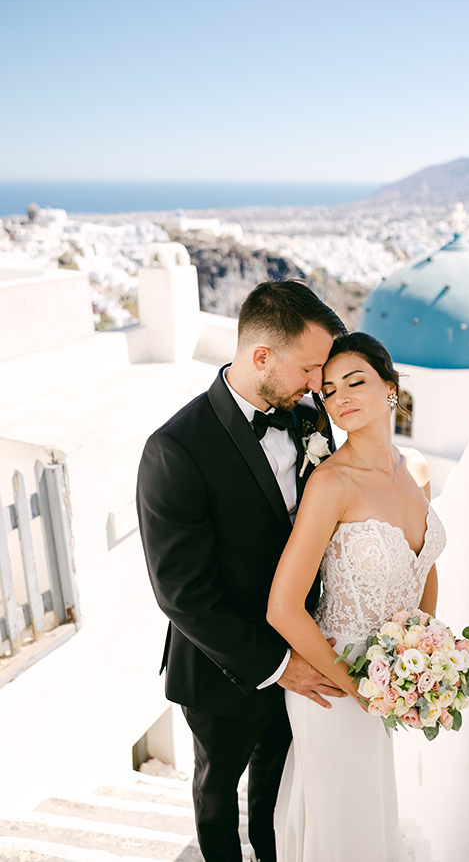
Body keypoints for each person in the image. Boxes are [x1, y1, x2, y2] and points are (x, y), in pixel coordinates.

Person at [136, 279, 347, 862]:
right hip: (221, 669)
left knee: (278, 792)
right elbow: (183, 593)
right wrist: (278, 666)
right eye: (309, 368)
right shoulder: (175, 449)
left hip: (306, 646)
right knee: (217, 792)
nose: (319, 384)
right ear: (261, 358)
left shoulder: (308, 418)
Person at [267, 331, 447, 862]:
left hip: (386, 682)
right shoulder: (331, 484)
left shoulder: (416, 469)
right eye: (328, 391)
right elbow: (283, 607)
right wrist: (355, 685)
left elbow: (424, 565)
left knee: (371, 819)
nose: (339, 397)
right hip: (334, 685)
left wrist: (421, 653)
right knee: (342, 831)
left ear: (391, 388)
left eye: (354, 382)